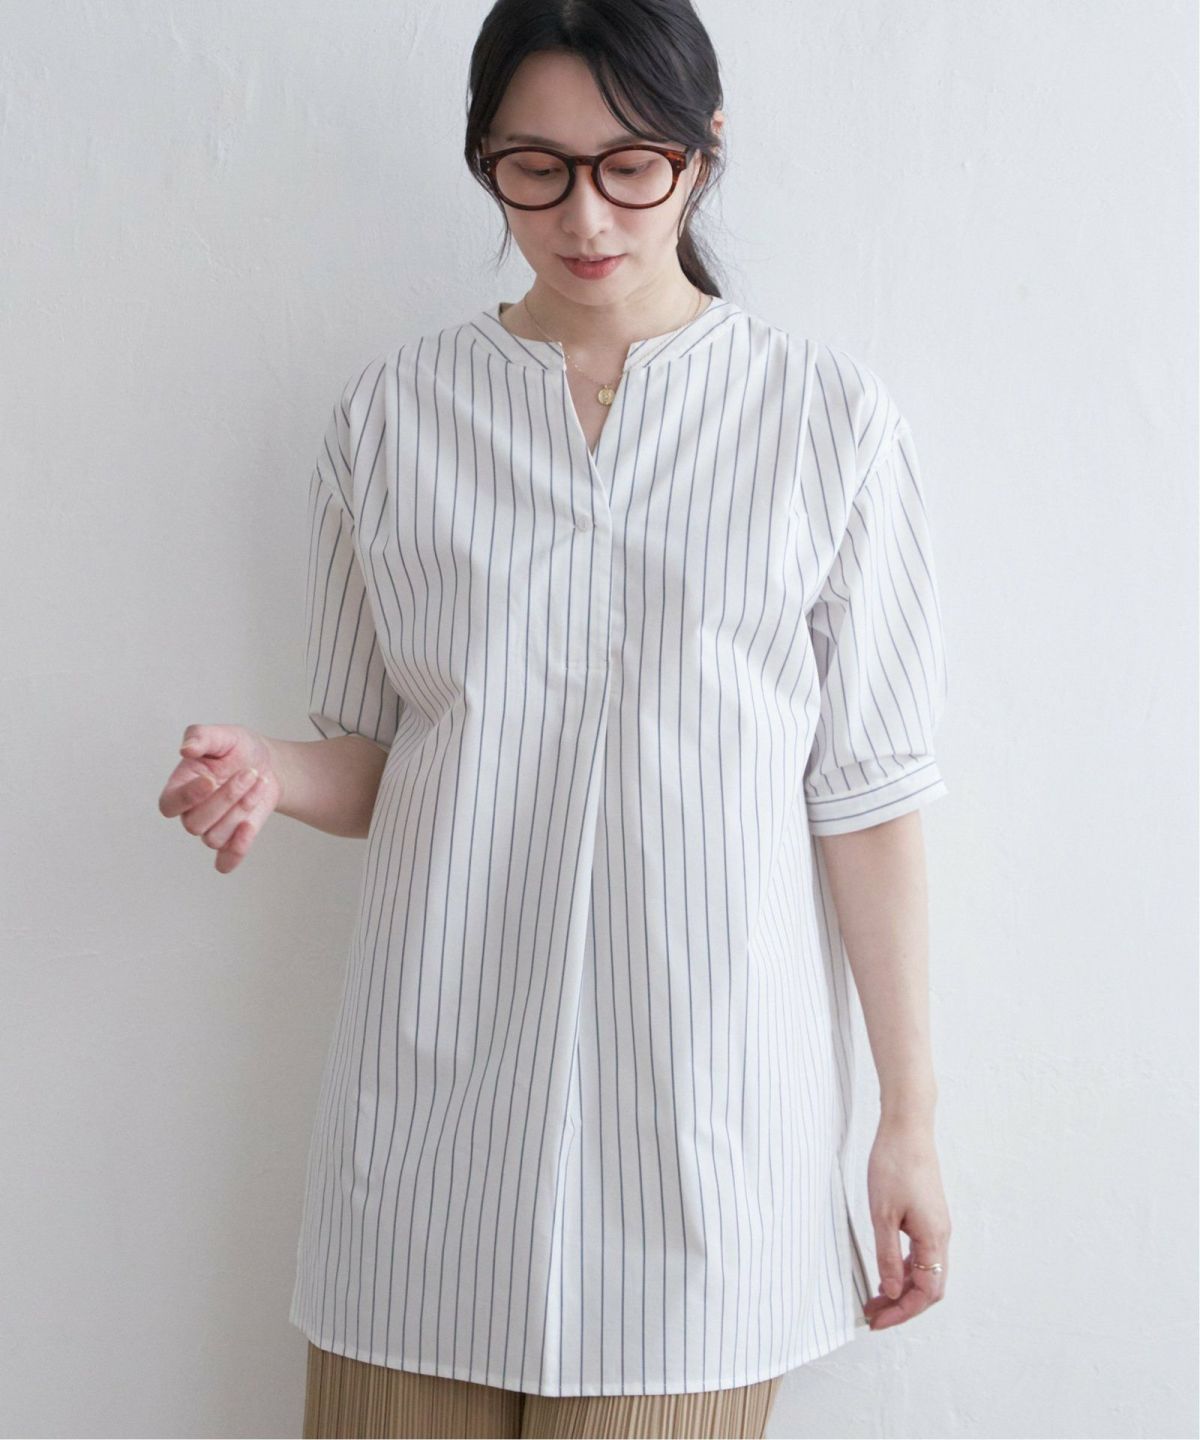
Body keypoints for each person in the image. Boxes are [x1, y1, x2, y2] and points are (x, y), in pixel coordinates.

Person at [158, 1, 952, 1435]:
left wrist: (908, 1121)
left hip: (707, 1140)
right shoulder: (393, 419)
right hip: (432, 1129)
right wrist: (272, 769)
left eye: (632, 165)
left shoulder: (825, 421)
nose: (585, 216)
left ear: (705, 150)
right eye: (535, 169)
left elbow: (869, 798)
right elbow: (381, 754)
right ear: (484, 160)